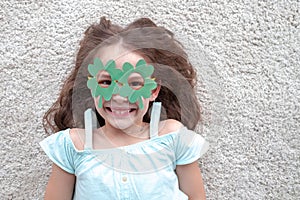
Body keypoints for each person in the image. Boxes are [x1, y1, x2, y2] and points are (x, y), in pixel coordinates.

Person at [40, 16, 209, 200]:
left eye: (135, 83)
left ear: (153, 90)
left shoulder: (172, 137)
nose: (120, 96)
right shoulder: (73, 146)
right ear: (91, 86)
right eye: (106, 82)